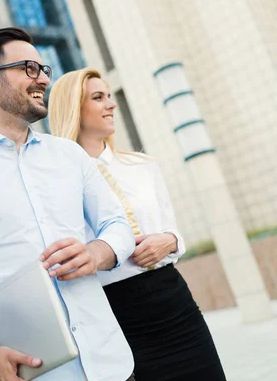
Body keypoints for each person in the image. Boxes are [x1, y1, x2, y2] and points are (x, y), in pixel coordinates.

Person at [0, 27, 136, 381]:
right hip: (27, 372)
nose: (43, 80)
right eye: (28, 69)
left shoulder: (69, 154)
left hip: (111, 364)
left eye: (43, 69)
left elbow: (118, 225)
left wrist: (96, 253)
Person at [48, 67, 226, 381]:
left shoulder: (143, 166)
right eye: (98, 97)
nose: (110, 104)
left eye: (109, 96)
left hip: (173, 302)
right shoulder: (55, 183)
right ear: (74, 107)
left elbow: (173, 231)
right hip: (116, 314)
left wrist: (169, 241)